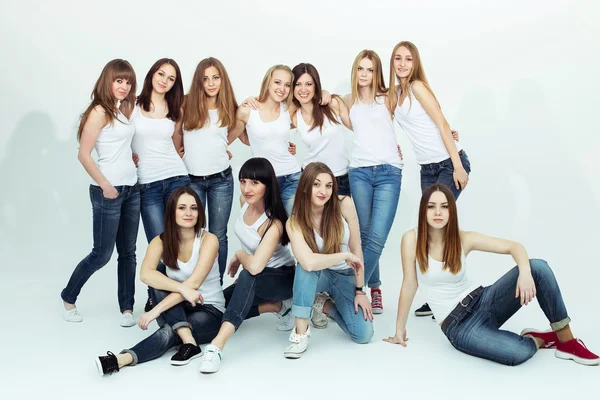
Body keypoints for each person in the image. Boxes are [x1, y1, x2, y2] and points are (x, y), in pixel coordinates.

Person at [384, 184, 599, 366]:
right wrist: (399, 329)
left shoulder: (463, 239)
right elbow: (409, 284)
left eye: (444, 207)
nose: (438, 213)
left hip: (483, 300)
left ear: (451, 211)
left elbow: (514, 246)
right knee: (519, 353)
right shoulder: (411, 239)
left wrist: (524, 272)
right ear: (423, 210)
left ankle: (567, 341)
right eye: (431, 207)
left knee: (538, 267)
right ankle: (540, 339)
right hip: (459, 327)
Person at [95, 187, 226, 375]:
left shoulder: (209, 239)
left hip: (209, 310)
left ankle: (121, 359)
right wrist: (181, 288)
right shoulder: (160, 241)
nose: (188, 213)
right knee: (157, 283)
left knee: (169, 331)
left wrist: (154, 311)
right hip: (178, 308)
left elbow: (195, 283)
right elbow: (145, 274)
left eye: (194, 208)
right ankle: (189, 342)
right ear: (172, 211)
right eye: (182, 208)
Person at [389, 41, 472, 318]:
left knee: (441, 228)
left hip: (448, 164)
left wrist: (458, 166)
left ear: (415, 64)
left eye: (408, 59)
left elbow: (442, 124)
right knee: (431, 231)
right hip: (428, 170)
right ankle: (436, 295)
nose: (402, 64)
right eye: (398, 58)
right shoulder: (396, 94)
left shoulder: (416, 88)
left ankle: (452, 295)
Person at [60, 59, 141, 327]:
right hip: (108, 191)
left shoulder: (121, 111)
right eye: (119, 80)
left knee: (128, 252)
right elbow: (84, 155)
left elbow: (117, 146)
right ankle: (68, 298)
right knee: (101, 254)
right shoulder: (98, 111)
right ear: (107, 80)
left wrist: (131, 157)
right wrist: (106, 186)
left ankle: (127, 308)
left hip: (132, 187)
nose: (124, 86)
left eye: (128, 82)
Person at [199, 158, 296, 373]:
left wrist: (239, 254)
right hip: (258, 276)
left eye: (254, 183)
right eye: (243, 181)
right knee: (220, 304)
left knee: (247, 277)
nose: (246, 188)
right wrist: (244, 258)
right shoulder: (245, 203)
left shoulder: (274, 223)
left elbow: (253, 267)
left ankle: (216, 346)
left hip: (282, 278)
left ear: (267, 185)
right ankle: (279, 307)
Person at [284, 162, 373, 359]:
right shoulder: (294, 221)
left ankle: (324, 305)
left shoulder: (344, 204)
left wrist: (360, 291)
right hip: (317, 275)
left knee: (363, 334)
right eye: (317, 184)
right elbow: (308, 263)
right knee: (305, 269)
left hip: (344, 274)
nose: (323, 191)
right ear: (306, 186)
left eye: (328, 185)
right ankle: (300, 334)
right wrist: (343, 255)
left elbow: (357, 248)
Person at [342, 50, 404, 314]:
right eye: (360, 69)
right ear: (355, 71)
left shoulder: (389, 97)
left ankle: (351, 291)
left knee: (377, 238)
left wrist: (445, 131)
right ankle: (374, 287)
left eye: (369, 70)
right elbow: (313, 110)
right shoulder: (346, 101)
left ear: (377, 73)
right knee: (364, 235)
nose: (364, 74)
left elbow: (419, 113)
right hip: (359, 172)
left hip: (389, 171)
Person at [174, 57, 244, 283]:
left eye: (215, 77)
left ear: (222, 79)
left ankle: (217, 285)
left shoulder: (230, 107)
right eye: (206, 79)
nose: (211, 83)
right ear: (199, 82)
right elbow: (173, 133)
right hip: (191, 180)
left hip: (221, 180)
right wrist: (178, 151)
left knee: (218, 235)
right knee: (192, 234)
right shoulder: (186, 104)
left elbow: (236, 135)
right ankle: (194, 283)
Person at [130, 58, 189, 311]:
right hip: (148, 183)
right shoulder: (131, 105)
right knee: (158, 243)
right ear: (152, 74)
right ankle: (156, 294)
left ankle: (182, 295)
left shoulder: (176, 107)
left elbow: (179, 143)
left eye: (171, 78)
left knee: (182, 240)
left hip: (177, 176)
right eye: (161, 74)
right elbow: (113, 133)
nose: (164, 81)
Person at [236, 65, 301, 215]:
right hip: (263, 181)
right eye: (277, 82)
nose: (282, 88)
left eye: (287, 85)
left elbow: (313, 100)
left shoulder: (289, 108)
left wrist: (324, 92)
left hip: (291, 177)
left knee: (292, 227)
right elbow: (239, 137)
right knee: (266, 229)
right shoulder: (248, 110)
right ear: (268, 83)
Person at [291, 63, 353, 197]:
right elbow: (271, 126)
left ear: (316, 85)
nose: (303, 89)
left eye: (308, 84)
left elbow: (357, 129)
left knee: (347, 217)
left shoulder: (333, 103)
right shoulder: (295, 116)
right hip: (311, 179)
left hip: (340, 178)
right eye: (298, 84)